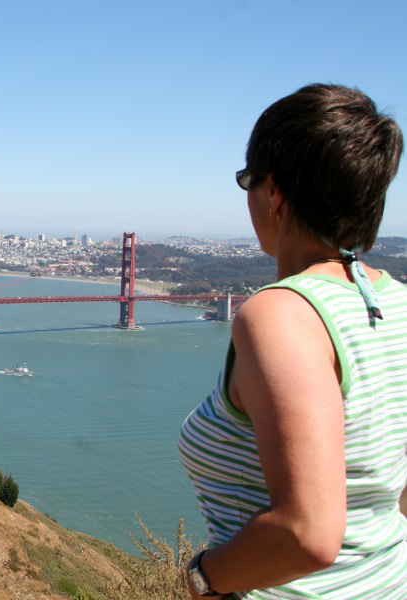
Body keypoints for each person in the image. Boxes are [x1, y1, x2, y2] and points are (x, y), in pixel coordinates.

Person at [178, 83, 406, 599]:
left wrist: (202, 576)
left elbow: (309, 535)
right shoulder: (398, 304)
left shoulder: (280, 316)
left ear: (275, 190)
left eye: (247, 180)